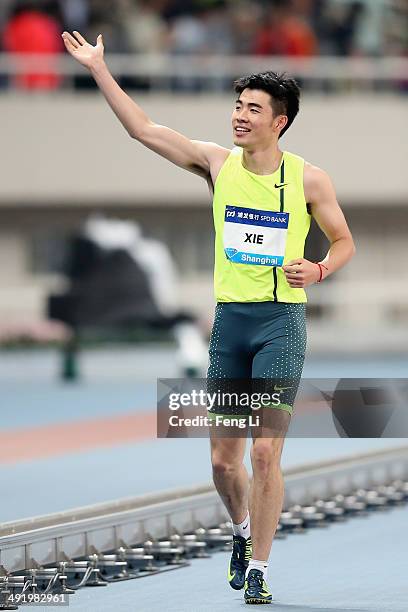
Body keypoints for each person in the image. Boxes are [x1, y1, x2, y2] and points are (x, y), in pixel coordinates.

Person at [61, 30, 355, 605]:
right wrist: (98, 68)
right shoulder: (217, 164)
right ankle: (242, 534)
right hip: (230, 327)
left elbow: (345, 241)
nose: (239, 117)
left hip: (280, 324)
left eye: (252, 110)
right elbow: (144, 130)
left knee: (266, 451)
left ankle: (262, 571)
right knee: (226, 462)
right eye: (237, 106)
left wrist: (318, 270)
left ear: (280, 122)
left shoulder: (309, 180)